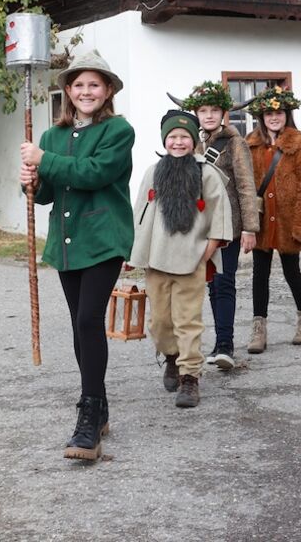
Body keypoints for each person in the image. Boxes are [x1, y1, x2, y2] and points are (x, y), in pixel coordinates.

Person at [20, 50, 136, 462]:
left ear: (107, 91)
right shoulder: (51, 136)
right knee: (78, 326)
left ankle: (88, 416)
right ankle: (99, 405)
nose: (86, 91)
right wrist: (30, 180)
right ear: (67, 90)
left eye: (95, 84)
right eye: (79, 84)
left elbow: (93, 174)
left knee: (89, 320)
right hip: (67, 242)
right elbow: (51, 193)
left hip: (103, 237)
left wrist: (44, 160)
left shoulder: (118, 131)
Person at [129, 110, 232, 408]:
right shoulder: (153, 172)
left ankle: (190, 377)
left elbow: (219, 217)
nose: (178, 142)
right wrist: (132, 252)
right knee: (160, 323)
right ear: (165, 139)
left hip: (192, 259)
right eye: (172, 137)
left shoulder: (207, 174)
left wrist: (207, 253)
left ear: (193, 140)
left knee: (188, 321)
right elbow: (140, 216)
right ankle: (171, 358)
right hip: (156, 259)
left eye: (184, 137)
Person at [171, 80, 259, 371]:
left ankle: (225, 345)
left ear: (224, 113)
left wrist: (250, 228)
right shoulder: (188, 142)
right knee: (206, 284)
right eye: (203, 110)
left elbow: (246, 186)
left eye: (214, 110)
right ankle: (205, 345)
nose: (208, 115)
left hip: (229, 226)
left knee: (224, 283)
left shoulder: (235, 143)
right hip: (198, 226)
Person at [244, 87, 301, 352]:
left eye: (278, 112)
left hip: (287, 220)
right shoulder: (251, 144)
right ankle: (258, 329)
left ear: (287, 114)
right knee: (259, 274)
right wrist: (246, 224)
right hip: (262, 220)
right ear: (261, 116)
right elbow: (245, 186)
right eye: (268, 113)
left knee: (292, 271)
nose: (273, 117)